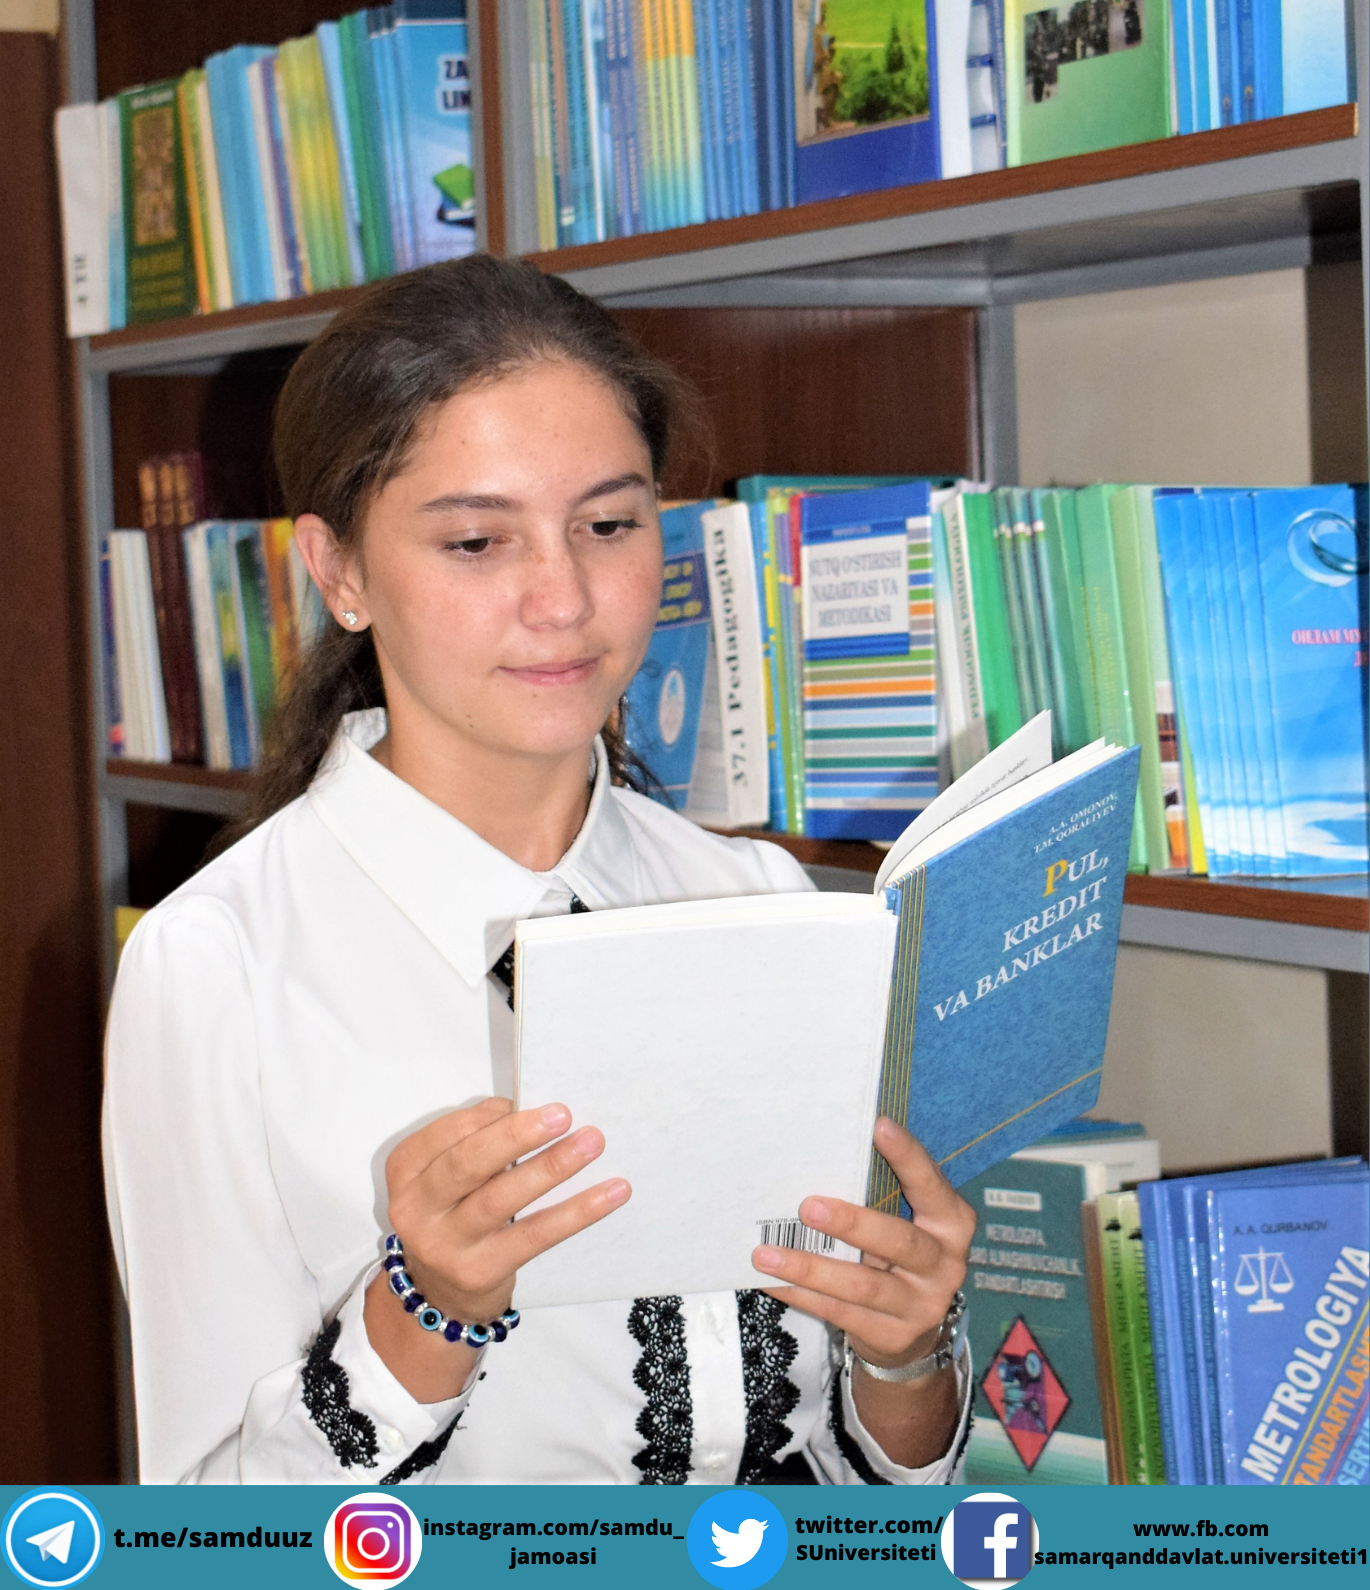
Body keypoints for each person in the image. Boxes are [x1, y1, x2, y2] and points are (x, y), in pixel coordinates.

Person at [103, 255, 975, 1486]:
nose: (562, 599)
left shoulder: (755, 898)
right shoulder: (218, 965)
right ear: (339, 573)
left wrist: (905, 1355)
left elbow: (863, 1471)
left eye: (608, 525)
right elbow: (204, 1539)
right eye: (475, 541)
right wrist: (423, 1316)